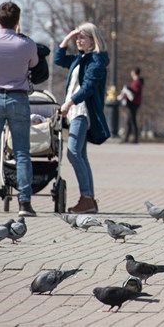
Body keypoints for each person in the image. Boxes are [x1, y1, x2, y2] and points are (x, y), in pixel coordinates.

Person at [0, 1, 39, 217]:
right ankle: (24, 203)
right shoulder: (27, 44)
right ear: (18, 20)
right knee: (21, 153)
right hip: (18, 99)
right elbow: (33, 64)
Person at [55, 22, 110, 214]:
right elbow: (58, 60)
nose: (78, 40)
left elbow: (87, 88)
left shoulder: (96, 61)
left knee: (73, 153)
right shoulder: (82, 58)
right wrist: (67, 39)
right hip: (74, 111)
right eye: (77, 37)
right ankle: (89, 200)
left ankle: (87, 198)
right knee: (81, 155)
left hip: (81, 112)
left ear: (92, 40)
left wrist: (69, 103)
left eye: (82, 37)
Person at [120, 67, 144, 144]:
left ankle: (132, 138)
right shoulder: (137, 82)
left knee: (131, 120)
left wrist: (128, 89)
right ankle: (129, 137)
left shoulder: (136, 82)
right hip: (134, 103)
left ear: (134, 73)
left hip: (134, 103)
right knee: (130, 120)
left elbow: (135, 93)